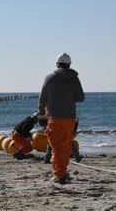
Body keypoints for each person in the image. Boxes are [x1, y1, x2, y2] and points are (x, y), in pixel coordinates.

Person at [38, 52, 85, 184]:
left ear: (57, 64)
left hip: (54, 118)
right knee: (65, 147)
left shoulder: (49, 78)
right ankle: (62, 172)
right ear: (69, 64)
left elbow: (42, 99)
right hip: (70, 119)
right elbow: (81, 98)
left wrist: (41, 115)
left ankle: (59, 175)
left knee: (57, 148)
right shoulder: (75, 79)